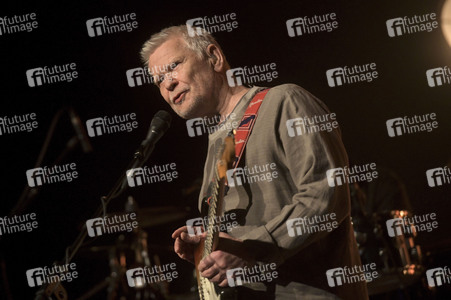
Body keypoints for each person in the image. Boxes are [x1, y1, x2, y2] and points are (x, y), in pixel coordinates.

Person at [140, 25, 368, 299]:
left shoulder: (284, 100)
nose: (167, 83)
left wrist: (251, 247)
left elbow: (327, 194)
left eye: (173, 66)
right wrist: (207, 251)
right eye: (158, 80)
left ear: (214, 57)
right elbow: (236, 243)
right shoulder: (215, 143)